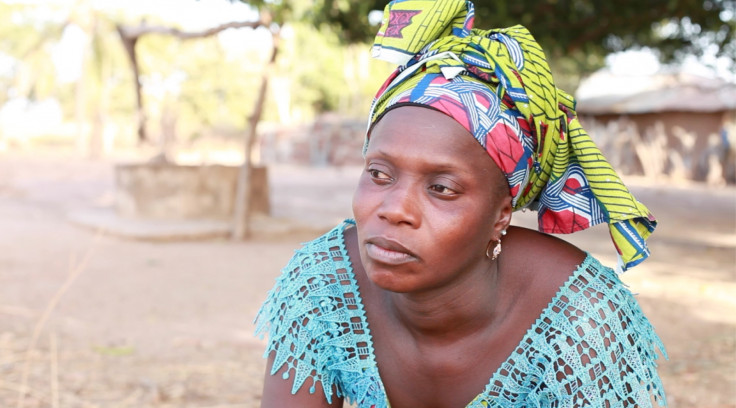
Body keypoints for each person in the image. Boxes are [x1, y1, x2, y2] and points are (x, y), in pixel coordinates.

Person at [255, 0, 667, 406]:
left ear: (500, 215)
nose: (394, 210)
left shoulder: (579, 320)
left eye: (442, 189)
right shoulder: (324, 286)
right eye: (379, 175)